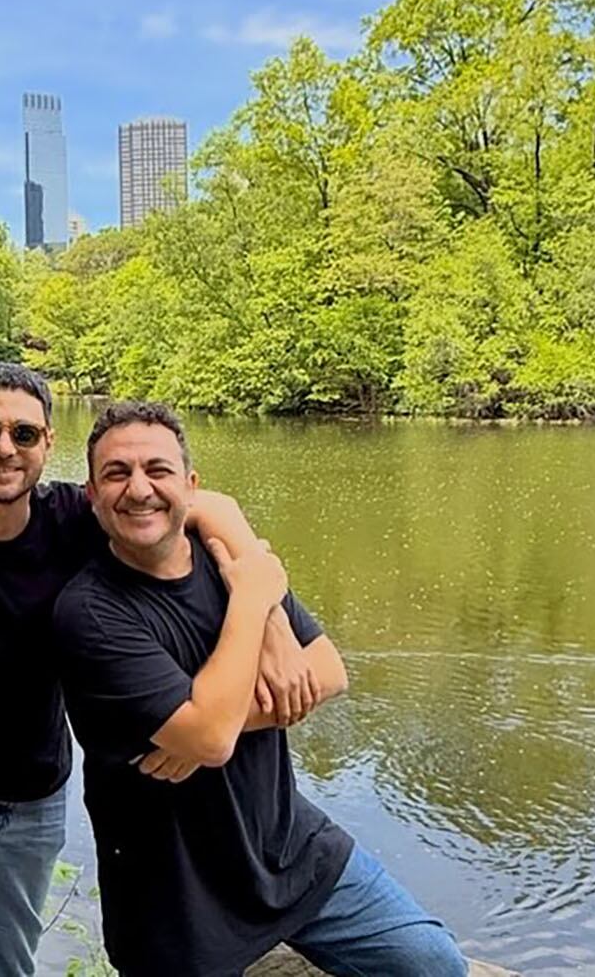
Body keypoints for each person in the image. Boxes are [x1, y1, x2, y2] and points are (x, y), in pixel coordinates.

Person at [0, 364, 315, 976]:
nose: (4, 449)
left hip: (36, 787)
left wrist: (272, 624)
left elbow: (212, 507)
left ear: (48, 442)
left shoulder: (75, 516)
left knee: (11, 960)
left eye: (23, 433)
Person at [52, 400, 468, 977]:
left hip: (289, 846)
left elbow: (328, 672)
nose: (139, 489)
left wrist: (207, 723)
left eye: (158, 470)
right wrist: (252, 602)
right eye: (117, 473)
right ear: (92, 494)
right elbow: (211, 739)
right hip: (173, 892)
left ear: (190, 486)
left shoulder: (228, 557)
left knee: (434, 964)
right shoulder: (90, 612)